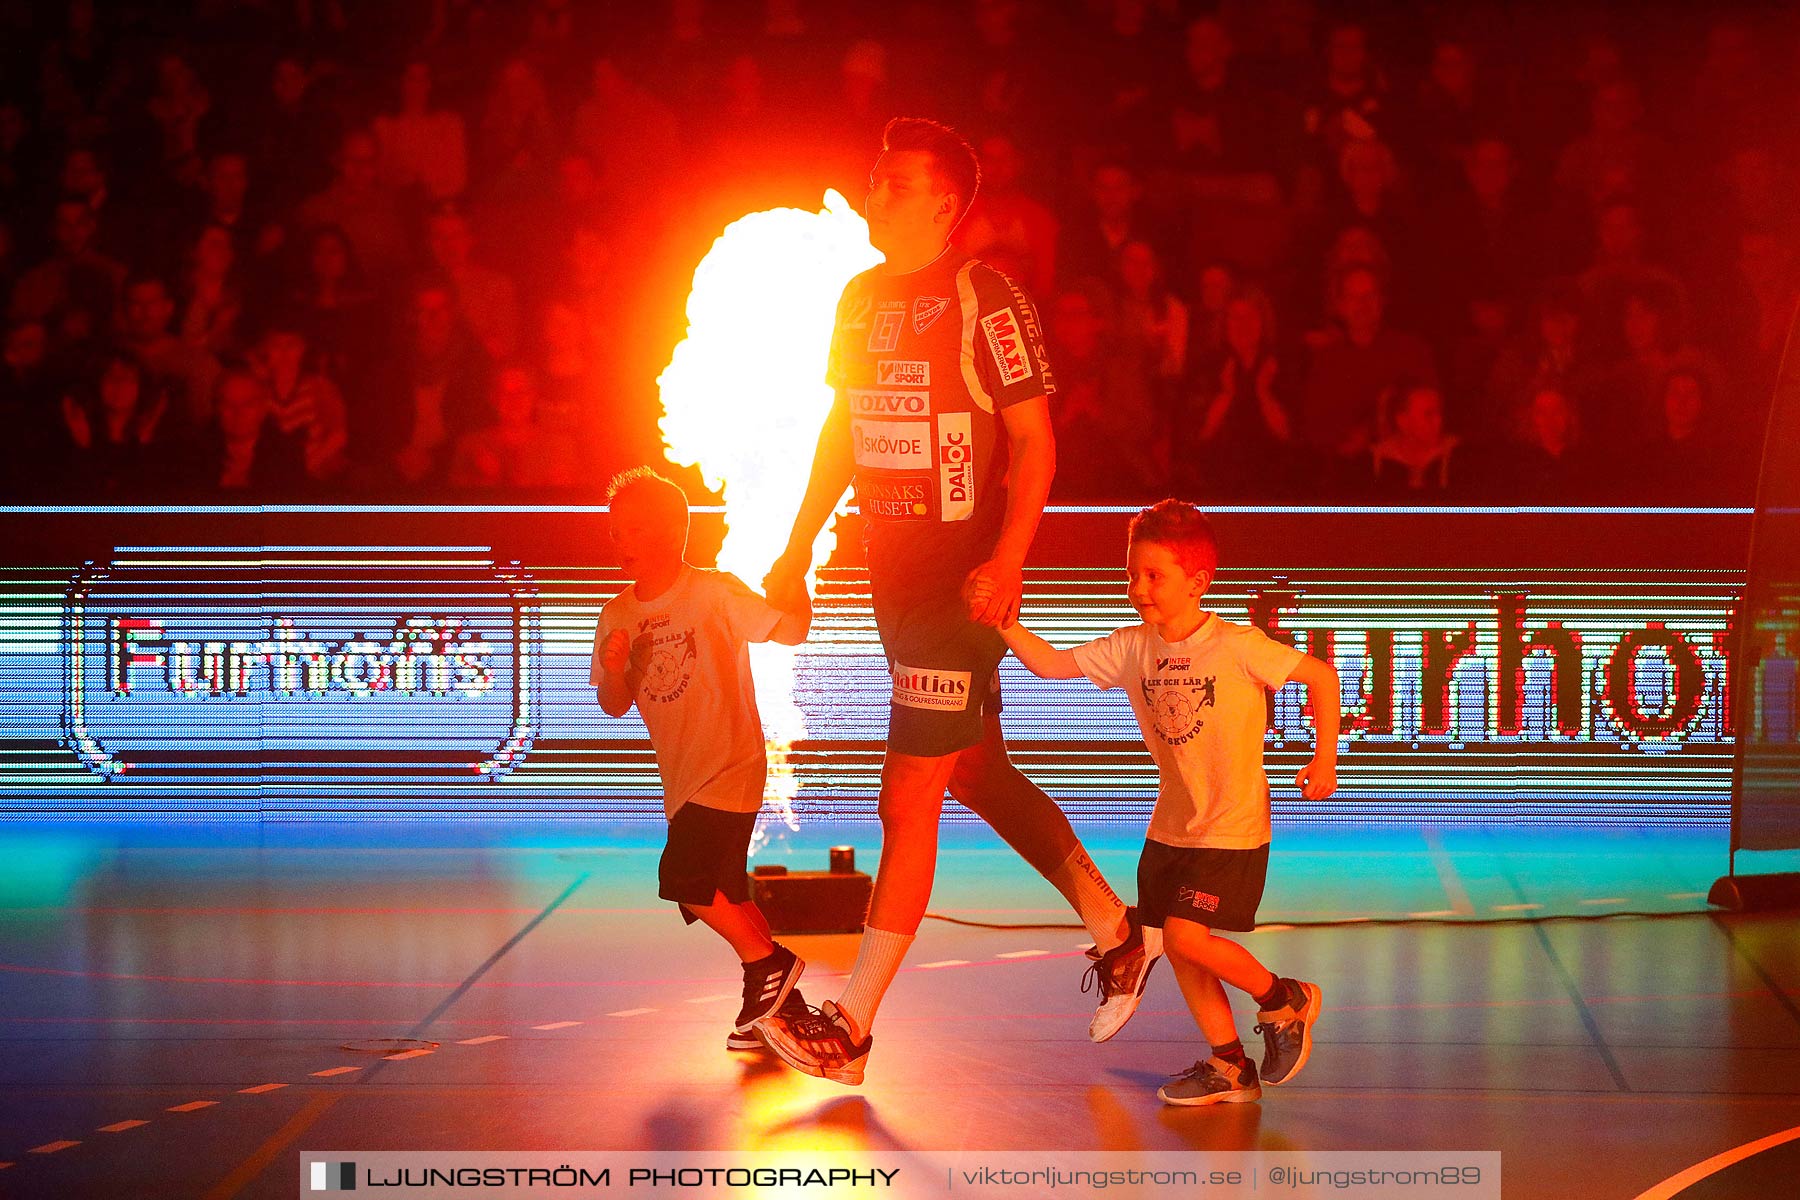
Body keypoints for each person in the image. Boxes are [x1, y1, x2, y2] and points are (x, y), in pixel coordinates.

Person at [756, 118, 1148, 1086]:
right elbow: (841, 434)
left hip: (959, 589)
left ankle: (851, 1027)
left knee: (909, 796)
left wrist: (1010, 558)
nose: (876, 191)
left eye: (896, 181)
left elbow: (1036, 442)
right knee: (974, 769)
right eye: (875, 175)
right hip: (894, 582)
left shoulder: (984, 295)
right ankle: (1117, 930)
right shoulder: (858, 298)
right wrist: (797, 546)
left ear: (943, 203)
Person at [994, 500, 1338, 1106]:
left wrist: (1324, 758)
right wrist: (1001, 619)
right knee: (1181, 953)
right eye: (1132, 575)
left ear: (1198, 581)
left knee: (1184, 938)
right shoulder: (1133, 647)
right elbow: (1048, 665)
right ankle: (1230, 1066)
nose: (1138, 588)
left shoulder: (1237, 645)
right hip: (1170, 830)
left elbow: (1322, 678)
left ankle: (1285, 1001)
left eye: (1154, 576)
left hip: (1230, 829)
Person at [589, 468, 814, 1054]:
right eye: (615, 534)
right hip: (683, 781)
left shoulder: (714, 591)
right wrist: (616, 668)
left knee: (685, 882)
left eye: (633, 531)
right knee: (728, 894)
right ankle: (777, 1009)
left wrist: (797, 584)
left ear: (672, 532)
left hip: (730, 767)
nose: (621, 544)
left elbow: (788, 631)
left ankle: (771, 963)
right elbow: (613, 705)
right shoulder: (616, 616)